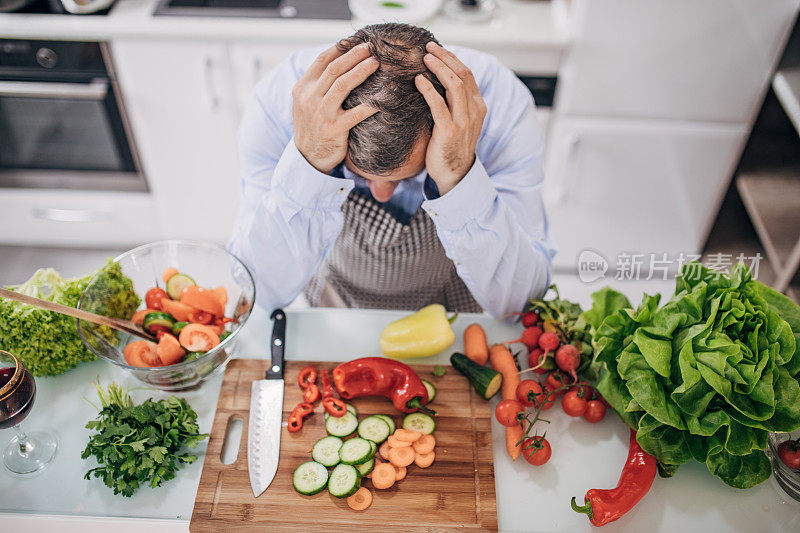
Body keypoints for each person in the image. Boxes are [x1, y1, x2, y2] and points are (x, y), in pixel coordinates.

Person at [230, 23, 556, 318]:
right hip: (335, 302)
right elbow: (260, 292)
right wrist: (309, 163)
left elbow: (522, 304)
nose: (381, 193)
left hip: (453, 306)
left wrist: (458, 176)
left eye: (403, 178)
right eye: (360, 176)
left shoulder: (501, 105)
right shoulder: (276, 105)